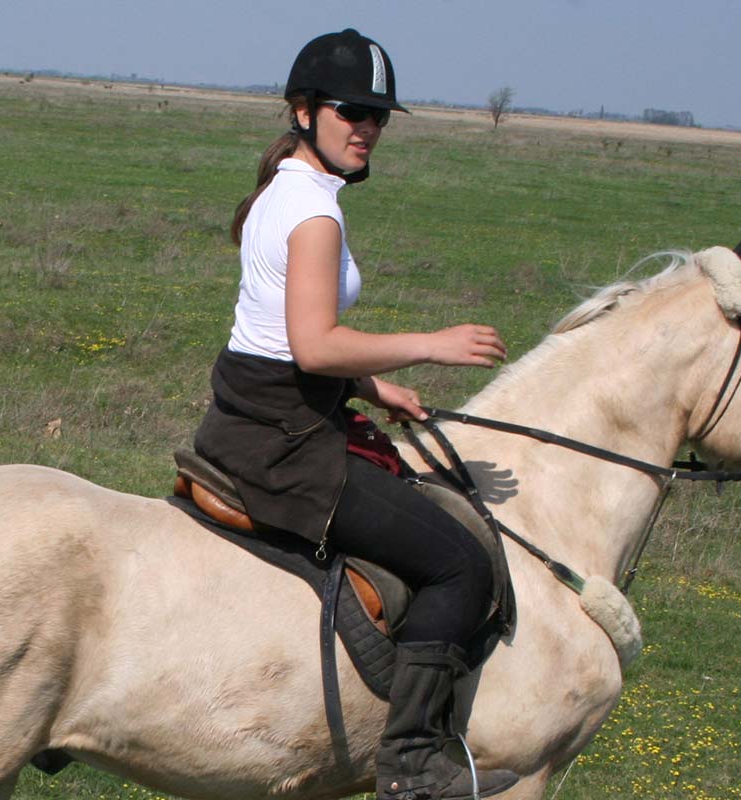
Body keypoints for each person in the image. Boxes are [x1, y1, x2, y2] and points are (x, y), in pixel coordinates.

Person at [192, 29, 520, 800]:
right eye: (353, 111)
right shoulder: (313, 214)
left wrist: (375, 389)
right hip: (286, 440)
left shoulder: (290, 191)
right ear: (305, 111)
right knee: (459, 563)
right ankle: (410, 761)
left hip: (260, 414)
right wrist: (428, 346)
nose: (368, 127)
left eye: (379, 115)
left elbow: (274, 331)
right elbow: (311, 346)